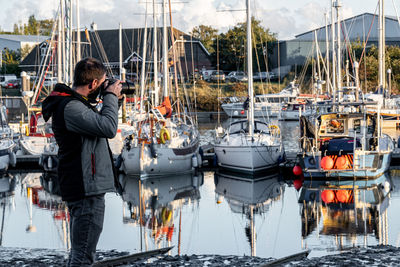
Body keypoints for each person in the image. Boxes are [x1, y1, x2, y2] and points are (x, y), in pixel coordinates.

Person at [42, 57, 122, 266]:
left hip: (85, 186)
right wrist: (111, 96)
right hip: (86, 188)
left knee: (80, 251)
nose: (105, 85)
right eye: (103, 81)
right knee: (83, 254)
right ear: (94, 84)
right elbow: (108, 128)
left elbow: (101, 125)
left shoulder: (77, 104)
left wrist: (112, 99)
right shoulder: (71, 107)